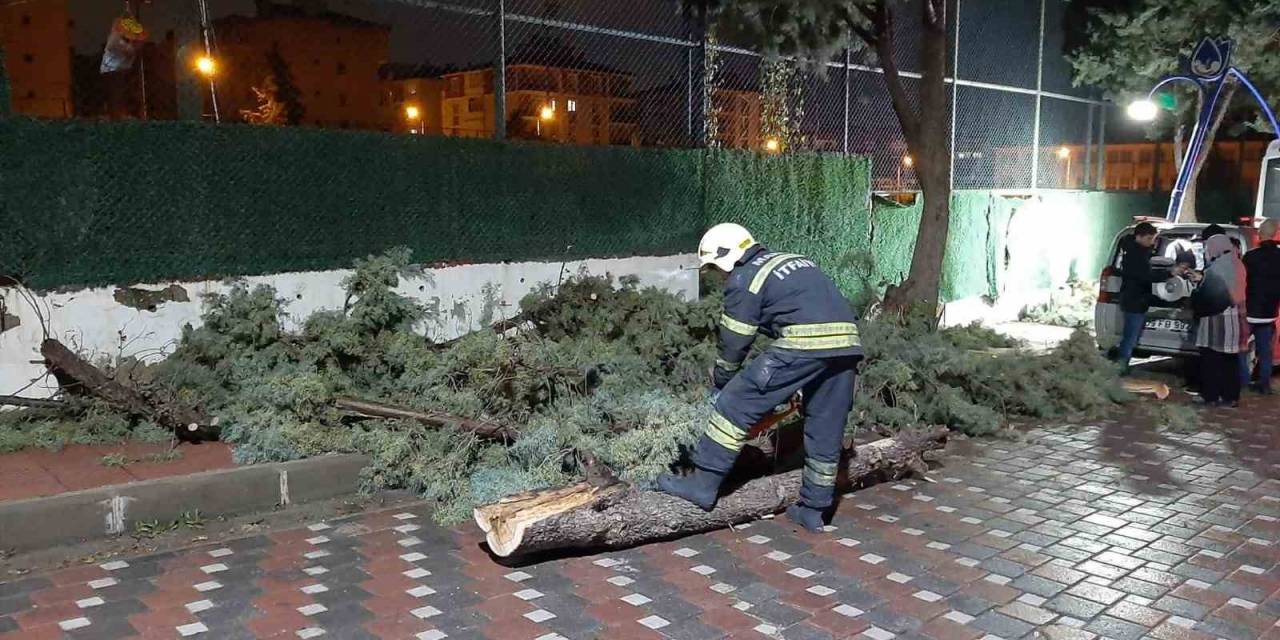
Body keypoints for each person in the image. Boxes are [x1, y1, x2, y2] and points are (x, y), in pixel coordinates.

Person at [657, 223, 862, 533]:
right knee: (825, 427)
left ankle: (702, 484)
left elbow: (735, 340)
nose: (718, 275)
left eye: (714, 267)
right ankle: (813, 510)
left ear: (726, 256)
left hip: (802, 344)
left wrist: (723, 379)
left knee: (734, 405)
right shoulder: (793, 260)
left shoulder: (745, 277)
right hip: (846, 346)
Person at [1191, 234, 1247, 407]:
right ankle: (1231, 397)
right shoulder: (1236, 263)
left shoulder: (1218, 266)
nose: (1207, 250)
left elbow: (1213, 294)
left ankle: (1211, 395)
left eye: (1209, 246)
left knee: (1211, 358)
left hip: (1217, 319)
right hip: (1234, 318)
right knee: (1229, 360)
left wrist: (1197, 291)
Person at [1115, 222, 1162, 374]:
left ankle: (1120, 367)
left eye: (1153, 239)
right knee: (1129, 339)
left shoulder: (1135, 251)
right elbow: (1144, 276)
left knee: (1130, 337)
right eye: (1149, 238)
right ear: (1139, 237)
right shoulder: (1136, 254)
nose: (1152, 242)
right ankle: (1120, 370)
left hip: (1134, 300)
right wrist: (1168, 274)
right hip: (1134, 301)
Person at [1243, 219, 1280, 394]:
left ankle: (1242, 380)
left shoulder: (1250, 256)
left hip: (1249, 311)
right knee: (1265, 351)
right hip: (1269, 312)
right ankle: (1264, 384)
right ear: (1274, 234)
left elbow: (1242, 282)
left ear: (1260, 234)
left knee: (1240, 347)